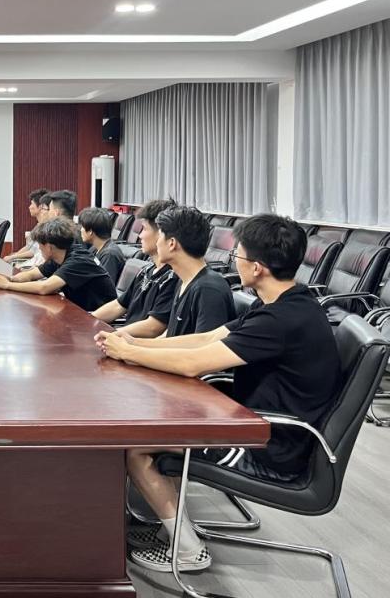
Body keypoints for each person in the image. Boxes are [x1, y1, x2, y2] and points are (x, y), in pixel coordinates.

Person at [95, 214, 341, 574]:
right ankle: (169, 528)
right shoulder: (283, 302)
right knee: (156, 434)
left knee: (138, 448)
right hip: (257, 425)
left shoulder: (279, 321)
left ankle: (187, 550)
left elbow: (194, 363)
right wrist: (133, 342)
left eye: (237, 255)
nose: (232, 261)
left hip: (269, 445)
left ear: (256, 267)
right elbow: (208, 338)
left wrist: (128, 353)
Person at [92, 198, 178, 337]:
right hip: (123, 339)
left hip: (137, 344)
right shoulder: (146, 271)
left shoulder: (173, 277)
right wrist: (88, 321)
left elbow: (153, 327)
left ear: (161, 233)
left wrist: (112, 335)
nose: (140, 235)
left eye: (144, 229)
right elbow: (118, 305)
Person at [0, 218, 117, 311]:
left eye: (40, 245)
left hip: (98, 316)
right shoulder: (60, 254)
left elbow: (44, 288)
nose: (39, 248)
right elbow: (32, 274)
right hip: (80, 309)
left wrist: (8, 285)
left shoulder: (78, 260)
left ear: (49, 247)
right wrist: (11, 279)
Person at [153, 206, 236, 337]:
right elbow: (170, 334)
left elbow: (203, 346)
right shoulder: (184, 280)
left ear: (172, 243)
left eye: (159, 237)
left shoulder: (208, 290)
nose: (156, 243)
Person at [77, 207, 125, 285]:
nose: (81, 230)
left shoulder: (109, 254)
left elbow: (104, 286)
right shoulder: (94, 249)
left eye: (82, 227)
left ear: (90, 231)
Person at [2, 187, 48, 263]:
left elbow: (33, 252)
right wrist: (14, 255)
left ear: (40, 207)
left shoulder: (45, 227)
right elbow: (29, 246)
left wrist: (13, 257)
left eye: (32, 204)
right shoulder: (38, 225)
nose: (29, 207)